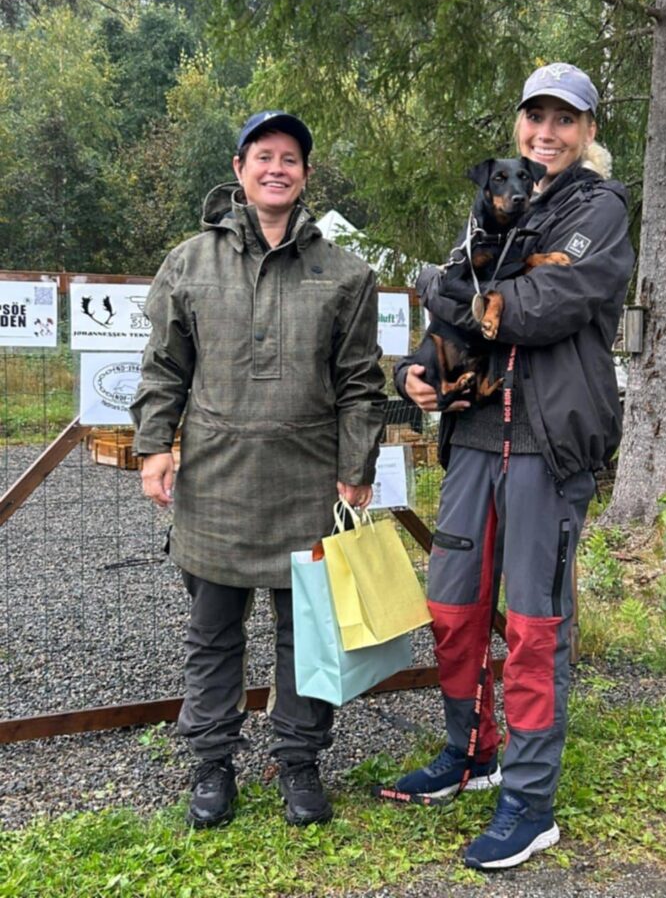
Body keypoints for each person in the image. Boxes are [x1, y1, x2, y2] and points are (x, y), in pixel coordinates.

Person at [392, 64, 634, 870]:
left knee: (533, 628)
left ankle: (529, 804)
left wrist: (443, 289)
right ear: (519, 125)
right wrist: (416, 370)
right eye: (536, 117)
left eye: (565, 119)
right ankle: (471, 753)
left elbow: (538, 307)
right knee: (453, 608)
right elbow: (458, 315)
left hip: (548, 446)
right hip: (472, 438)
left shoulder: (599, 211)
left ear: (588, 131)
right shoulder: (495, 203)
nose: (547, 133)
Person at [131, 110, 386, 829]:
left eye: (291, 159)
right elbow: (163, 366)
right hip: (215, 480)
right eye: (263, 156)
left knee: (306, 633)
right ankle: (212, 763)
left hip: (309, 482)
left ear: (305, 175)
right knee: (213, 633)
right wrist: (154, 446)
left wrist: (357, 463)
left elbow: (362, 382)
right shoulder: (189, 263)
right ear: (239, 170)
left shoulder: (345, 272)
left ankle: (300, 761)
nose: (277, 168)